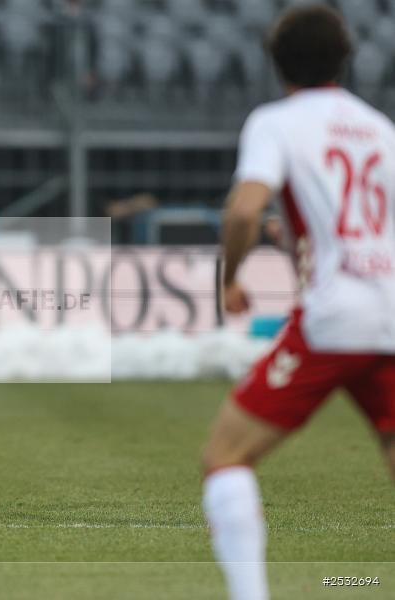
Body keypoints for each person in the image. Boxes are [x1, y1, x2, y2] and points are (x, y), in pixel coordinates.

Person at [202, 6, 395, 599]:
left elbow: (242, 209)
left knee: (226, 457)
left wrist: (229, 278)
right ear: (345, 59)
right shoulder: (380, 128)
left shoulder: (277, 121)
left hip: (334, 319)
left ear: (276, 63)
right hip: (390, 313)